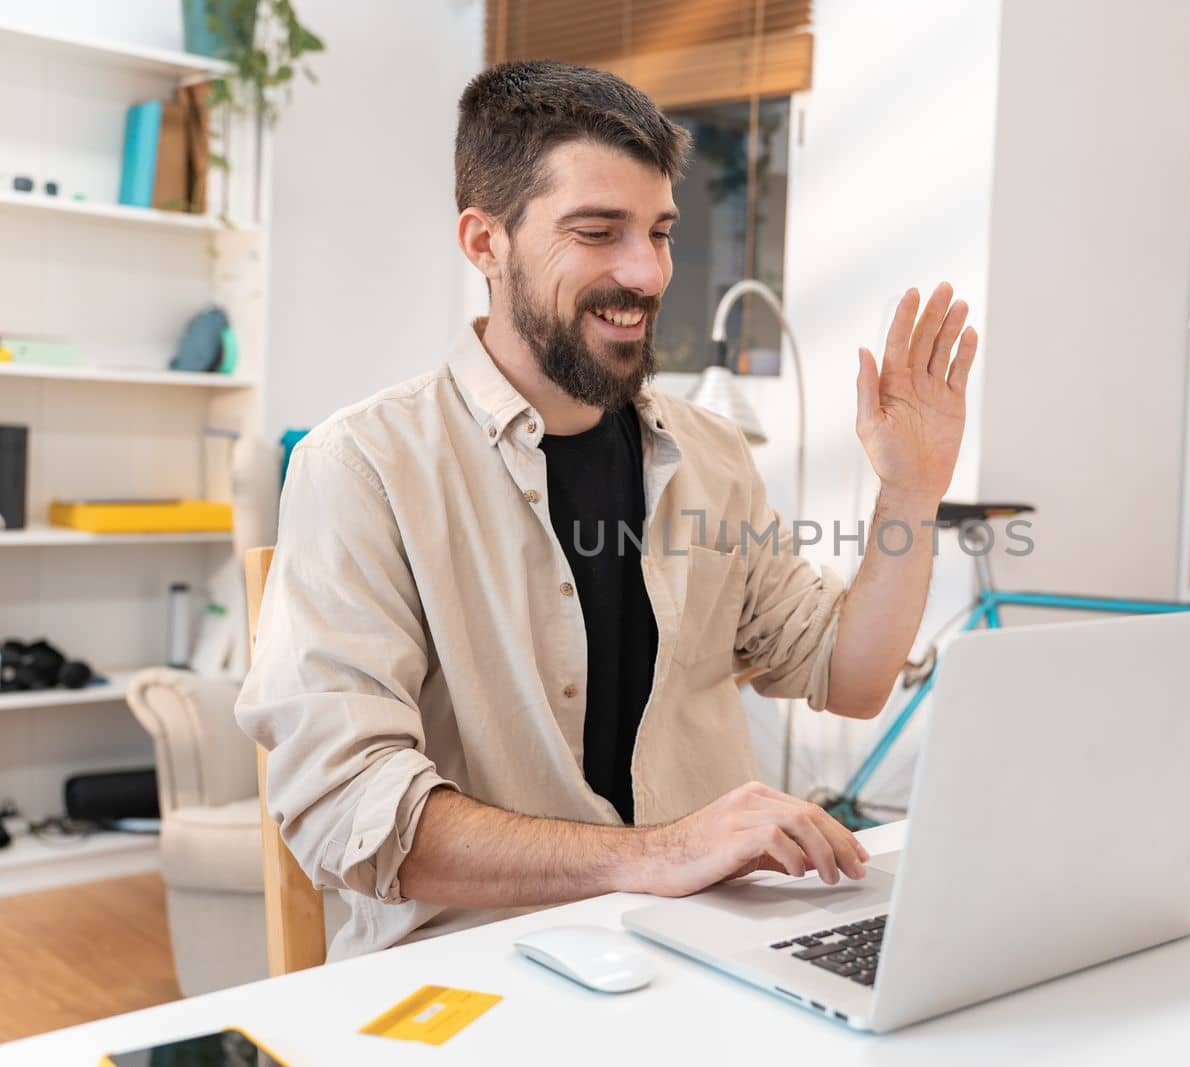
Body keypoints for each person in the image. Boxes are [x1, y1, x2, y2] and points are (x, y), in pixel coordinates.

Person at [237, 59, 979, 958]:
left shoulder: (711, 456)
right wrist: (663, 853)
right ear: (484, 241)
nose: (648, 271)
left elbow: (851, 677)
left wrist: (911, 489)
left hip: (713, 947)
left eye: (661, 232)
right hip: (482, 969)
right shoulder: (362, 467)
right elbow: (346, 806)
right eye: (599, 231)